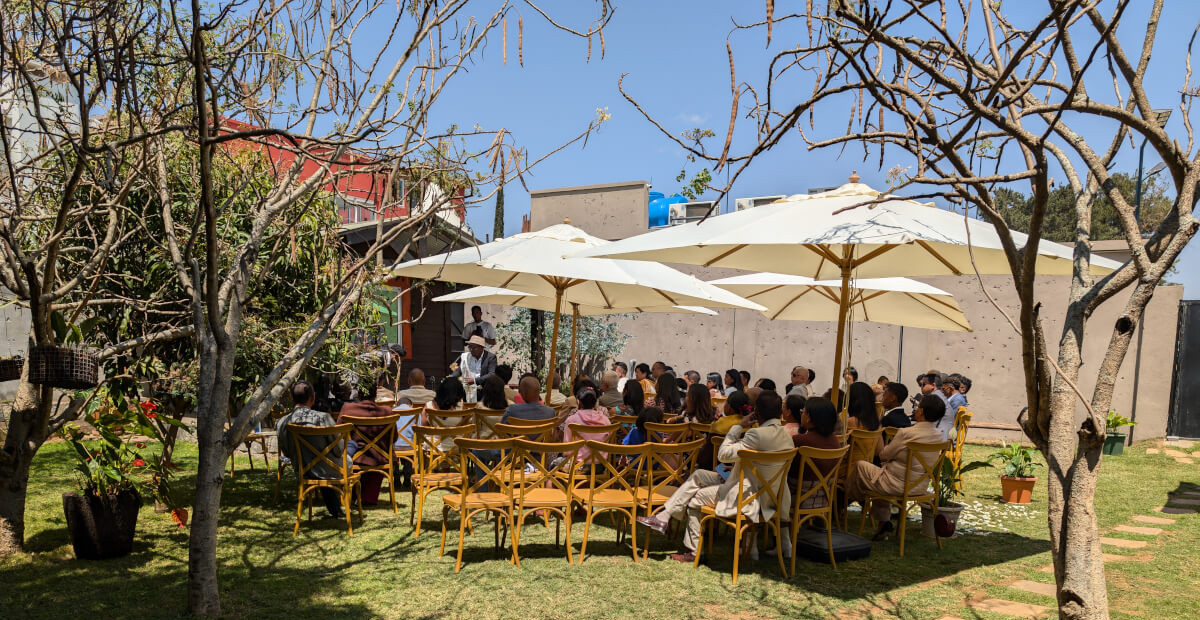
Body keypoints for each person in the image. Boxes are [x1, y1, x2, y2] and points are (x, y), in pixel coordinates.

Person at [637, 390, 795, 563]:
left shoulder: (755, 434)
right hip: (770, 494)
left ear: (755, 412)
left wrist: (739, 426)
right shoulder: (787, 436)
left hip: (746, 494)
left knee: (695, 498)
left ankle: (694, 551)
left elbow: (724, 455)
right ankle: (664, 517)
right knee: (699, 475)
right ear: (780, 412)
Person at [848, 394, 946, 540]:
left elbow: (883, 455)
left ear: (921, 411)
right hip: (919, 486)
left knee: (861, 466)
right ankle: (883, 522)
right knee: (878, 477)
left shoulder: (907, 433)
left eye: (918, 407)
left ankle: (846, 500)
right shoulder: (939, 435)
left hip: (897, 484)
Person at [276, 381, 350, 518]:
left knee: (319, 462)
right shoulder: (323, 418)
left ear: (291, 398)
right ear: (312, 398)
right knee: (347, 455)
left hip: (302, 470)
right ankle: (345, 505)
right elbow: (339, 450)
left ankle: (335, 509)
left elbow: (286, 453)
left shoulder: (282, 422)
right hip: (330, 469)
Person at [338, 382, 395, 506]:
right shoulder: (387, 411)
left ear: (357, 394)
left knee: (363, 453)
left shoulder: (347, 409)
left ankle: (354, 495)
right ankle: (369, 497)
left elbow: (338, 434)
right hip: (380, 457)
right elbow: (393, 438)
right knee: (380, 451)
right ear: (375, 395)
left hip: (354, 456)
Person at [560, 387, 612, 462]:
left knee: (553, 465)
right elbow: (608, 446)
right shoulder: (606, 420)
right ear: (595, 403)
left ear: (578, 402)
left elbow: (567, 450)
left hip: (576, 466)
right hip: (601, 466)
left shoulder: (571, 420)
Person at [449, 335, 497, 401]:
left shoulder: (490, 357)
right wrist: (451, 377)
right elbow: (459, 370)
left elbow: (491, 374)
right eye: (470, 347)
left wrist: (474, 380)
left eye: (474, 348)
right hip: (468, 390)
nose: (471, 350)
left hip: (483, 391)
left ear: (481, 348)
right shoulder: (466, 357)